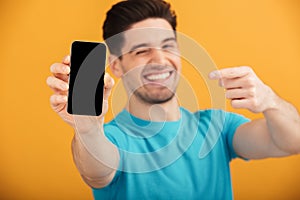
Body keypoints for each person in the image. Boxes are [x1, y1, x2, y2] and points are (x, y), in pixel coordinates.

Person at [46, 0, 300, 199]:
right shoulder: (112, 139)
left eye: (168, 46)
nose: (159, 60)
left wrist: (270, 101)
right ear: (117, 66)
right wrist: (89, 128)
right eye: (142, 50)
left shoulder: (218, 127)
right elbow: (96, 173)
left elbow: (292, 141)